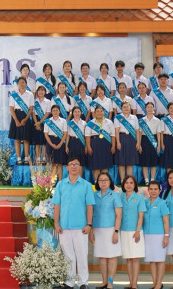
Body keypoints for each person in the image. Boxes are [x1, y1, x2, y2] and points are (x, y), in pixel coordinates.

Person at [52, 157, 94, 289]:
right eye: (71, 164)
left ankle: (83, 282)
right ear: (67, 167)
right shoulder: (60, 185)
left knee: (82, 255)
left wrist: (89, 224)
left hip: (81, 226)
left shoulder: (87, 185)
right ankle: (69, 282)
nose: (74, 166)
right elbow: (57, 205)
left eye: (76, 164)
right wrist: (56, 223)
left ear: (80, 167)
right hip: (64, 226)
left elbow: (89, 206)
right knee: (68, 255)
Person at [90, 172, 122, 289]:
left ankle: (110, 282)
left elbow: (119, 215)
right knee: (102, 256)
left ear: (110, 182)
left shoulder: (115, 195)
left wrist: (116, 231)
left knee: (112, 256)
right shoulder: (94, 195)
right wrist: (91, 231)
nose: (103, 182)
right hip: (98, 229)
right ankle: (104, 281)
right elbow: (91, 213)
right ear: (97, 182)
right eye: (101, 180)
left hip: (111, 229)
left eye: (106, 180)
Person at [120, 175, 146, 289]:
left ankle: (135, 283)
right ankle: (130, 282)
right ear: (123, 184)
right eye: (127, 183)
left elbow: (141, 216)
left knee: (135, 258)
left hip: (135, 231)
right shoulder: (120, 197)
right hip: (123, 230)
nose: (129, 185)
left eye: (131, 183)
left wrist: (138, 231)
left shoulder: (139, 198)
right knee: (128, 259)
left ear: (135, 185)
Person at [143, 181, 170, 289]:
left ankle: (159, 282)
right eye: (151, 189)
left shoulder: (162, 203)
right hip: (147, 235)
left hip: (159, 235)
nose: (153, 191)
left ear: (159, 191)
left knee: (159, 260)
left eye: (155, 189)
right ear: (148, 190)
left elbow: (166, 221)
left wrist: (166, 236)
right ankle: (154, 282)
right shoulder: (145, 203)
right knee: (152, 260)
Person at [84, 106, 115, 181]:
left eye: (101, 111)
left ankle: (105, 182)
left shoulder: (109, 122)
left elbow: (113, 135)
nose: (99, 113)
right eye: (97, 111)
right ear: (94, 113)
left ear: (104, 112)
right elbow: (87, 136)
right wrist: (88, 146)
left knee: (105, 166)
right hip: (94, 144)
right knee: (95, 166)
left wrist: (113, 145)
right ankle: (96, 183)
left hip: (106, 144)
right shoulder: (90, 123)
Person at [8, 77, 34, 166]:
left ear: (26, 83)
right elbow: (11, 108)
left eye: (23, 82)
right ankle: (18, 158)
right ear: (18, 84)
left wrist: (26, 119)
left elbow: (31, 108)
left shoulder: (30, 94)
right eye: (20, 82)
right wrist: (16, 120)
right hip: (16, 115)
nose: (22, 84)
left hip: (26, 116)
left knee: (26, 138)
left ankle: (26, 158)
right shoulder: (14, 95)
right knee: (17, 138)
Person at [114, 102, 141, 183]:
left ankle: (129, 180)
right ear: (121, 108)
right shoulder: (118, 117)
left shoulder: (134, 118)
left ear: (130, 108)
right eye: (124, 107)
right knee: (121, 161)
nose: (126, 108)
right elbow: (116, 131)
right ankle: (122, 180)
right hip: (121, 138)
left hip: (131, 139)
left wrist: (138, 142)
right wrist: (118, 142)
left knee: (130, 161)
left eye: (127, 107)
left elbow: (137, 131)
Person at [138, 102, 162, 186]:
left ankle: (152, 179)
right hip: (144, 140)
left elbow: (158, 133)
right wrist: (139, 144)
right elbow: (139, 133)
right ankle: (146, 180)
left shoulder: (157, 120)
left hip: (154, 140)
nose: (150, 109)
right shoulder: (141, 120)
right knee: (144, 161)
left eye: (151, 107)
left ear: (153, 108)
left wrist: (158, 145)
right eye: (148, 107)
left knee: (153, 161)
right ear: (145, 109)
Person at [44, 105, 67, 181]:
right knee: (52, 163)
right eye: (54, 110)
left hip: (60, 141)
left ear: (59, 111)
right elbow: (46, 134)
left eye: (57, 110)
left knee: (60, 163)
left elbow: (65, 133)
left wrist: (60, 144)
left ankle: (60, 181)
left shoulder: (63, 121)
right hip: (50, 141)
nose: (55, 112)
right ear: (51, 112)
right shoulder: (48, 121)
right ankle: (52, 181)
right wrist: (51, 144)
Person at [32, 86, 51, 165]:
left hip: (44, 121)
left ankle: (44, 158)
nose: (41, 92)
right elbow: (33, 112)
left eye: (42, 90)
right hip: (36, 121)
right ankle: (38, 158)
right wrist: (36, 123)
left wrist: (40, 122)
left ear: (45, 92)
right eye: (39, 90)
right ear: (37, 92)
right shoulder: (34, 101)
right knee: (37, 142)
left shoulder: (48, 101)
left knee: (44, 141)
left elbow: (47, 113)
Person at [65, 106, 86, 176]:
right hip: (72, 142)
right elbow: (67, 135)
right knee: (72, 162)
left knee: (80, 163)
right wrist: (66, 146)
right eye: (75, 112)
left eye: (78, 111)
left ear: (81, 113)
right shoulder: (70, 123)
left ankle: (80, 179)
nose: (77, 113)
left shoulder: (84, 123)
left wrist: (86, 146)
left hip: (81, 143)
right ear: (73, 113)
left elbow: (86, 136)